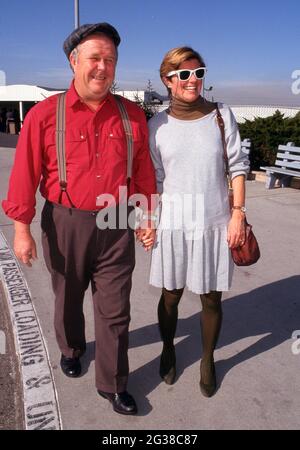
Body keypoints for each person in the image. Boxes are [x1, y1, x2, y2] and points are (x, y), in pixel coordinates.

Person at [2, 22, 156, 415]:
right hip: (65, 222)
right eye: (94, 58)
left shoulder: (133, 115)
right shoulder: (42, 115)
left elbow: (142, 173)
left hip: (117, 223)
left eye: (110, 59)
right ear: (74, 61)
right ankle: (71, 349)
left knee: (115, 308)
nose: (103, 67)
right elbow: (24, 175)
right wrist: (22, 230)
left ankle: (113, 383)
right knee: (68, 298)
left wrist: (147, 216)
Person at [146, 47, 250, 397]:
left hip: (214, 223)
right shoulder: (156, 126)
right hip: (172, 224)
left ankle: (207, 359)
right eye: (185, 74)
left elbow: (237, 167)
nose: (194, 80)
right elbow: (155, 180)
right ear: (168, 80)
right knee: (170, 296)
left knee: (211, 299)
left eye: (199, 72)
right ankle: (169, 348)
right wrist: (147, 220)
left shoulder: (221, 116)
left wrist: (238, 213)